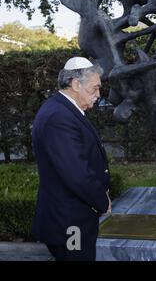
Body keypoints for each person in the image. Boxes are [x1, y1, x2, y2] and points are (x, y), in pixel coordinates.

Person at [32, 57, 111, 261]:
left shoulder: (63, 110)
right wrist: (102, 202)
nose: (98, 95)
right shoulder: (58, 117)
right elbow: (77, 174)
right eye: (94, 89)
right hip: (68, 223)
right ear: (76, 85)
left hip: (71, 218)